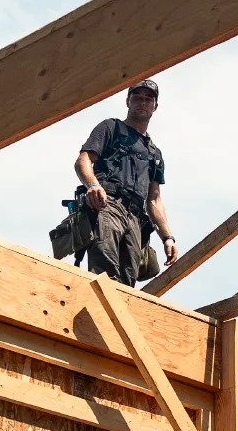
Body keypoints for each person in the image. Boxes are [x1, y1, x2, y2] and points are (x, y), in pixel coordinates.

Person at [74, 79, 178, 284]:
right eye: (137, 97)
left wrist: (167, 237)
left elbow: (154, 200)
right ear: (128, 101)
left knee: (127, 282)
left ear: (155, 106)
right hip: (108, 205)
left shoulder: (154, 153)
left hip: (135, 219)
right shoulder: (111, 128)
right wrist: (93, 185)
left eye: (148, 99)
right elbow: (83, 160)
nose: (142, 102)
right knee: (105, 273)